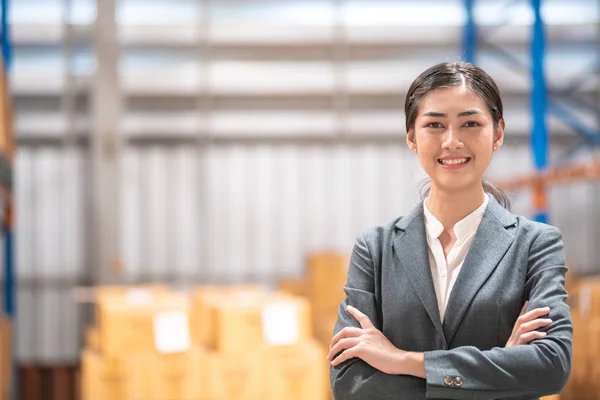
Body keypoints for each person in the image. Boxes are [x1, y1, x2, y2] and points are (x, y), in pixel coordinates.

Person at [327, 62, 572, 400]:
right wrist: (502, 369)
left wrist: (400, 360)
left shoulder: (535, 245)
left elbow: (551, 367)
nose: (452, 141)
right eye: (435, 125)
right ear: (412, 138)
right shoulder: (375, 249)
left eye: (470, 123)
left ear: (498, 133)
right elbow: (350, 383)